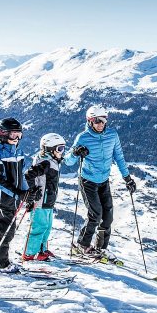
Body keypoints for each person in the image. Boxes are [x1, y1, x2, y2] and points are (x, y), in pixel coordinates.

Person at [63, 105, 136, 255]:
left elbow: (119, 157)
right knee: (95, 214)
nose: (100, 123)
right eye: (96, 120)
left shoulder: (112, 135)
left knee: (108, 217)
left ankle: (100, 248)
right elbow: (68, 161)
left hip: (104, 180)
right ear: (90, 121)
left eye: (103, 120)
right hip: (87, 181)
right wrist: (75, 152)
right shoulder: (83, 138)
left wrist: (127, 178)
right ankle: (81, 245)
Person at [0, 117, 29, 269]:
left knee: (4, 230)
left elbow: (21, 174)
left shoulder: (18, 152)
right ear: (2, 134)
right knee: (5, 231)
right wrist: (17, 192)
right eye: (13, 135)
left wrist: (26, 191)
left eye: (19, 135)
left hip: (12, 199)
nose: (16, 138)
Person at [21, 133, 66, 262]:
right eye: (59, 149)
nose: (62, 152)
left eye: (63, 148)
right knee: (39, 227)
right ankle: (29, 254)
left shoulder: (52, 161)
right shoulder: (45, 162)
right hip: (40, 202)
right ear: (49, 149)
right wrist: (33, 191)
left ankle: (41, 251)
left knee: (46, 226)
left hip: (49, 201)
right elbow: (28, 175)